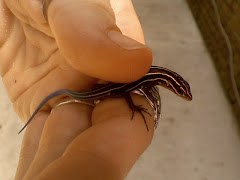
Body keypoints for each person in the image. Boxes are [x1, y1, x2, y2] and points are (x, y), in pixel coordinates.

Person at [0, 0, 154, 179]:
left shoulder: (155, 77)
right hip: (107, 89)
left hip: (106, 88)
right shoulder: (153, 77)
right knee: (123, 97)